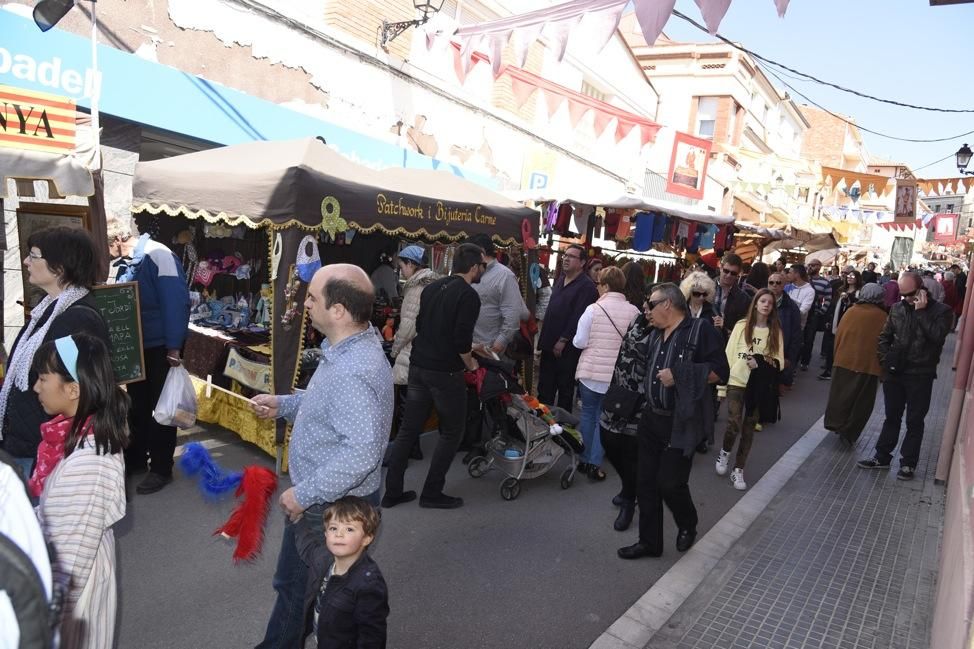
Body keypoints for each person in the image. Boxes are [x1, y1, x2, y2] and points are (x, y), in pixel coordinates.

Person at [251, 264, 393, 649]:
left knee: (296, 592)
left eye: (312, 297)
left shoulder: (352, 368)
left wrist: (304, 494)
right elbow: (328, 409)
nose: (306, 303)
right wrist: (283, 405)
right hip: (329, 500)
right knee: (310, 594)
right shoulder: (348, 348)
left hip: (328, 505)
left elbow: (361, 451)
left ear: (339, 311)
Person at [617, 284, 729, 560]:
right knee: (645, 483)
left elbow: (720, 371)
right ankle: (649, 542)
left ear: (668, 304)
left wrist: (679, 375)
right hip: (651, 418)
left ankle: (687, 523)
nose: (646, 310)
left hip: (681, 423)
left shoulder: (700, 330)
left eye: (650, 304)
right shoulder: (655, 332)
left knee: (669, 484)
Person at [33, 334, 128, 649]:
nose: (36, 387)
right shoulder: (75, 437)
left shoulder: (88, 464)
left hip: (68, 615)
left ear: (73, 389)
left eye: (43, 378)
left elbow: (69, 565)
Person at [0, 227, 110, 484]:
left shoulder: (77, 318)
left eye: (34, 256)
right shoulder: (49, 308)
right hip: (28, 442)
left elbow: (78, 393)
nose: (26, 261)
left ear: (59, 268)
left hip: (43, 448)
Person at [382, 244, 483, 510]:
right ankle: (432, 492)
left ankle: (392, 491)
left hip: (419, 366)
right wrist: (472, 364)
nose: (482, 269)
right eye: (481, 265)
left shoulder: (432, 288)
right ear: (473, 267)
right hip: (445, 371)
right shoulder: (468, 295)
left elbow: (422, 326)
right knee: (452, 431)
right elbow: (462, 341)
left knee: (408, 430)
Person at [109, 219, 190, 495]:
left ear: (118, 238)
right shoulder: (127, 262)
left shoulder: (159, 255)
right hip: (137, 347)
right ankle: (135, 459)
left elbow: (176, 302)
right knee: (136, 406)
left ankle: (161, 468)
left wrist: (174, 346)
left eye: (106, 244)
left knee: (162, 409)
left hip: (161, 348)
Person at [857, 272, 952, 481]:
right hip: (895, 372)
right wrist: (885, 361)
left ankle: (908, 464)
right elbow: (884, 336)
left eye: (910, 294)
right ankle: (882, 457)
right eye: (903, 295)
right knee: (891, 416)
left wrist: (921, 313)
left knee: (915, 421)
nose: (907, 299)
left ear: (922, 289)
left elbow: (937, 338)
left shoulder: (941, 311)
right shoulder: (897, 309)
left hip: (921, 374)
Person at [462, 234, 528, 457]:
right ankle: (471, 441)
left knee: (492, 401)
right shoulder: (470, 273)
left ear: (482, 253)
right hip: (470, 349)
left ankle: (487, 447)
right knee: (472, 400)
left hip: (492, 351)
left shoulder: (504, 277)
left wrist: (494, 350)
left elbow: (512, 319)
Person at [573, 267, 639, 481]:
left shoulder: (593, 309)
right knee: (605, 420)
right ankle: (594, 462)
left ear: (606, 286)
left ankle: (583, 458)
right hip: (616, 377)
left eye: (599, 284)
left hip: (591, 373)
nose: (597, 287)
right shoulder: (635, 312)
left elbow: (579, 341)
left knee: (588, 415)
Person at [297, 496, 388, 649]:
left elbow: (372, 635)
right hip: (323, 638)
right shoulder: (323, 558)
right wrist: (297, 521)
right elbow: (307, 546)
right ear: (326, 533)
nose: (339, 534)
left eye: (349, 529)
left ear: (366, 538)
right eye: (333, 528)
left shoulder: (369, 584)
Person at [715, 290, 783, 490]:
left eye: (770, 303)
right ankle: (725, 453)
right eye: (762, 301)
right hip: (736, 380)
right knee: (733, 423)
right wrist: (721, 387)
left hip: (758, 385)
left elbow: (779, 362)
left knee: (749, 428)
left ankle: (739, 469)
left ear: (773, 307)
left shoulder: (775, 331)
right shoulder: (741, 326)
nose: (766, 305)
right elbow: (728, 355)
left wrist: (760, 363)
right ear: (755, 303)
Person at [599, 304, 653, 532]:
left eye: (651, 305)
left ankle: (629, 500)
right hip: (619, 391)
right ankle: (628, 486)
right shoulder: (638, 321)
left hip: (641, 400)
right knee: (608, 440)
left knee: (630, 451)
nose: (646, 308)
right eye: (647, 303)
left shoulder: (663, 331)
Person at [389, 245, 438, 461]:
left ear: (411, 264)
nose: (401, 271)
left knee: (406, 407)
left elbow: (408, 327)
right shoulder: (432, 284)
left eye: (402, 266)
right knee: (416, 406)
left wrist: (394, 348)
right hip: (425, 351)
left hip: (410, 352)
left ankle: (404, 450)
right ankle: (414, 447)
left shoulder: (415, 288)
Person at [824, 284, 888, 445]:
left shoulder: (851, 311)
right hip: (870, 366)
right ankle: (850, 431)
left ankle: (836, 422)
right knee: (862, 401)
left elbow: (839, 335)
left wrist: (836, 355)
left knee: (840, 395)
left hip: (844, 360)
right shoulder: (883, 317)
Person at [537, 245, 598, 411]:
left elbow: (578, 317)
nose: (566, 258)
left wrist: (563, 339)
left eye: (572, 256)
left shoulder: (587, 286)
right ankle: (543, 426)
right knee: (545, 389)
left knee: (564, 389)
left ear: (582, 262)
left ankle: (563, 430)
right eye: (565, 255)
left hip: (567, 348)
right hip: (549, 344)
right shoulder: (561, 279)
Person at [820, 269, 861, 381]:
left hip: (849, 323)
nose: (850, 278)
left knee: (844, 347)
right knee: (831, 346)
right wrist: (829, 319)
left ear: (857, 279)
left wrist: (849, 300)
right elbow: (833, 306)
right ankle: (829, 369)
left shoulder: (859, 293)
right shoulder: (841, 290)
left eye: (853, 276)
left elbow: (857, 308)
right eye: (849, 276)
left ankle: (839, 370)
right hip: (835, 321)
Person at [769, 272, 802, 389]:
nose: (774, 285)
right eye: (771, 282)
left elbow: (796, 337)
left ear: (784, 285)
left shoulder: (792, 307)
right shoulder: (760, 302)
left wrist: (789, 359)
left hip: (781, 353)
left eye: (778, 283)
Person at [798, 259, 832, 372]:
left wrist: (821, 312)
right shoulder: (803, 280)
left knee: (809, 338)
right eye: (809, 265)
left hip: (813, 315)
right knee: (798, 337)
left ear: (819, 267)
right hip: (800, 313)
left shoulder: (825, 282)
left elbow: (828, 299)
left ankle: (805, 361)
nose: (810, 267)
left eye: (813, 265)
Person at [712, 253, 750, 340]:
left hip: (727, 344)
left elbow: (743, 328)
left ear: (738, 274)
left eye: (733, 273)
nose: (728, 275)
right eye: (726, 271)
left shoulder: (744, 299)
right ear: (721, 268)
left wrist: (725, 327)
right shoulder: (705, 287)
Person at [785, 264, 815, 328]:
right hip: (784, 324)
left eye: (790, 273)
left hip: (797, 327)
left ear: (797, 274)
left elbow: (803, 310)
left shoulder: (810, 291)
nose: (788, 275)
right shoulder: (787, 287)